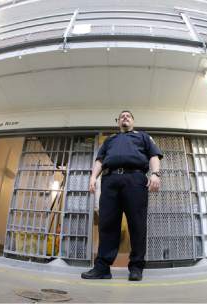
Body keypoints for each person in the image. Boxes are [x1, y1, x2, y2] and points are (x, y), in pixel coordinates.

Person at [81, 110, 163, 281]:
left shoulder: (143, 137)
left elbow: (154, 155)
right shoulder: (110, 140)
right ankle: (102, 268)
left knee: (137, 223)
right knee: (107, 223)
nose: (125, 117)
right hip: (110, 180)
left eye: (128, 116)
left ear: (133, 120)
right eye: (122, 116)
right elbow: (100, 160)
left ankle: (136, 267)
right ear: (118, 121)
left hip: (135, 179)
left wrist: (155, 174)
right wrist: (93, 177)